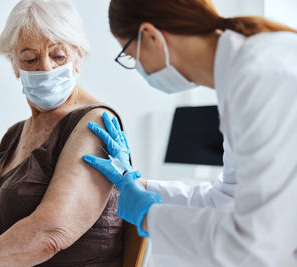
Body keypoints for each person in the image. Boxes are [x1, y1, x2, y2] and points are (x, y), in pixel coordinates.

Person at [83, 0, 297, 266]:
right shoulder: (240, 78)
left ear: (150, 36)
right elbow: (226, 199)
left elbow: (255, 244)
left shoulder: (261, 77)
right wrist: (135, 183)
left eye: (130, 55)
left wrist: (150, 215)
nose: (138, 67)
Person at [0, 0, 127, 266]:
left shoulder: (94, 123)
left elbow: (50, 234)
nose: (46, 68)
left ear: (78, 58)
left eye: (58, 56)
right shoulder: (15, 134)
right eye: (30, 58)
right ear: (14, 64)